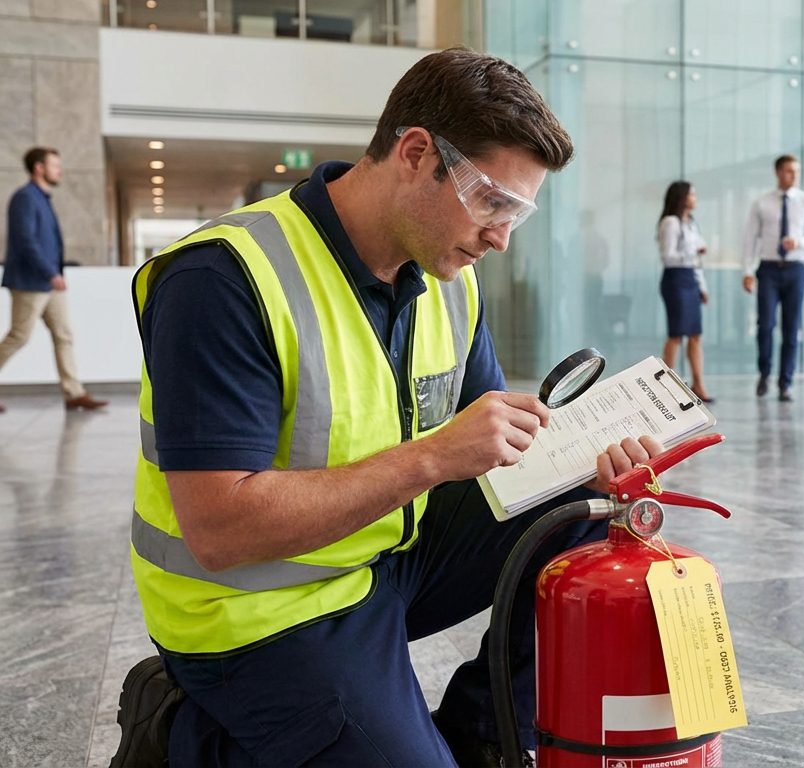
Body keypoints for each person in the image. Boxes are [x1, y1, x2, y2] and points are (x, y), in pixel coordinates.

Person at [110, 49, 666, 767]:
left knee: (580, 508)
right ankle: (187, 734)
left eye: (517, 214)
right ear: (414, 153)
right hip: (252, 611)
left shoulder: (447, 276)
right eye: (493, 201)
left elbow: (492, 449)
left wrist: (589, 462)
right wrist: (435, 455)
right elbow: (219, 529)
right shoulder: (221, 279)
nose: (501, 237)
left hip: (383, 558)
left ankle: (482, 735)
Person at [0, 147, 108, 414]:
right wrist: (50, 272)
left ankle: (74, 393)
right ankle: (74, 393)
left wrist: (54, 274)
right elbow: (26, 241)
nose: (59, 170)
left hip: (49, 281)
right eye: (54, 165)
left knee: (64, 335)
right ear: (39, 168)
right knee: (19, 336)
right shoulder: (25, 198)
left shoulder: (42, 198)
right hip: (31, 281)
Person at [742, 154, 804, 402]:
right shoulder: (761, 203)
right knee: (765, 325)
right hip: (768, 269)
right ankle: (764, 373)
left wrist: (799, 241)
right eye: (789, 170)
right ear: (778, 172)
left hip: (796, 268)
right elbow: (750, 239)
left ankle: (785, 382)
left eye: (796, 171)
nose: (794, 175)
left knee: (792, 327)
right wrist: (747, 271)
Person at [657, 180, 713, 402]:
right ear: (681, 197)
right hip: (675, 279)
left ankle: (699, 384)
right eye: (692, 195)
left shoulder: (692, 223)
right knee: (676, 334)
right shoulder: (670, 223)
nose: (695, 199)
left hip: (691, 278)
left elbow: (697, 260)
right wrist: (693, 251)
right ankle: (663, 385)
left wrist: (702, 286)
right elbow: (667, 256)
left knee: (695, 335)